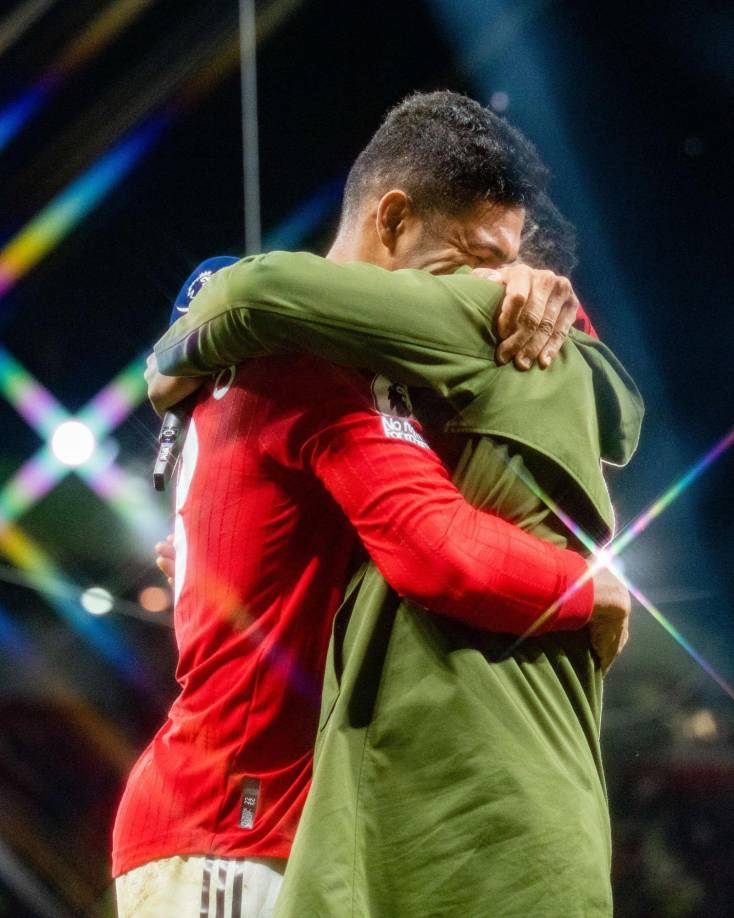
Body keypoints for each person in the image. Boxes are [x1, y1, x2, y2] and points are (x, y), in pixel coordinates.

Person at [128, 92, 637, 917]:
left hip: (277, 820)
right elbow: (431, 546)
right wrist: (592, 587)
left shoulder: (308, 363)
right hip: (236, 826)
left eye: (502, 265)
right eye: (470, 262)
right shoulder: (307, 360)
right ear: (393, 221)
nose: (485, 290)